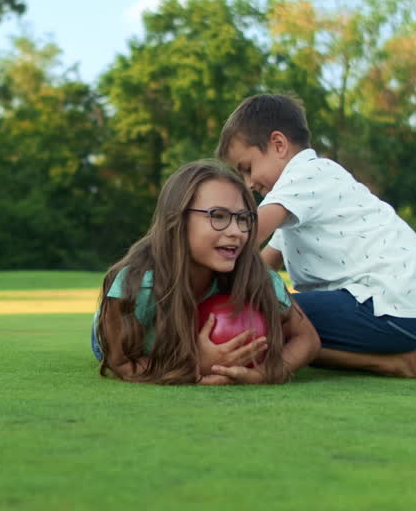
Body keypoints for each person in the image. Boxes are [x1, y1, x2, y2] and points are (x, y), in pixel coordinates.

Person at [218, 94, 416, 379]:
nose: (249, 184)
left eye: (247, 168)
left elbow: (247, 235)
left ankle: (397, 363)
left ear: (278, 145)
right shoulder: (314, 189)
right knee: (271, 301)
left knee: (268, 317)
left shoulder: (302, 176)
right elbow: (264, 264)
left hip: (388, 310)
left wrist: (202, 267)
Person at [93, 160, 321, 384]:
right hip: (138, 336)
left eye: (243, 218)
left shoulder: (256, 276)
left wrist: (263, 374)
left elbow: (307, 339)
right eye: (218, 216)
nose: (236, 232)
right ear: (178, 219)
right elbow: (122, 364)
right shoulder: (137, 285)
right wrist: (194, 367)